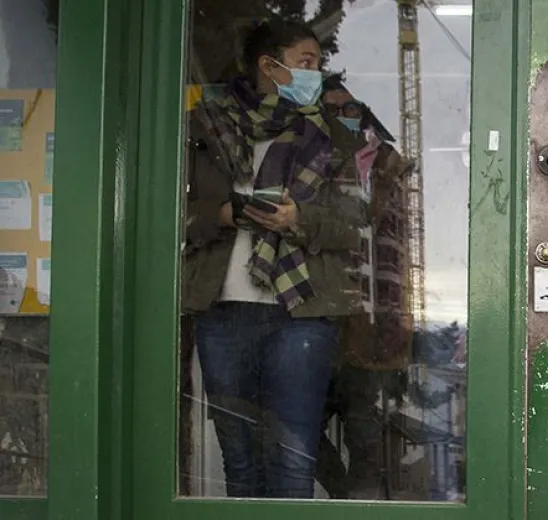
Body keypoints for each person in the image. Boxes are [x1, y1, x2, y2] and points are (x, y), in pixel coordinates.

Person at [181, 19, 368, 499]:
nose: (316, 72)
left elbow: (352, 226)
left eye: (318, 63)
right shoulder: (207, 126)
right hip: (223, 313)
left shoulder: (332, 138)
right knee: (238, 457)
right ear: (271, 66)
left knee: (293, 455)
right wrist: (224, 213)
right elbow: (170, 218)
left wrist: (297, 219)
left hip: (301, 315)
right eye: (306, 62)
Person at [314, 75, 415, 499]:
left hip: (371, 325)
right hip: (315, 316)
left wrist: (397, 325)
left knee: (365, 435)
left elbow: (395, 256)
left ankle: (358, 506)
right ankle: (343, 499)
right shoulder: (305, 156)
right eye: (333, 111)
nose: (344, 119)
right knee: (288, 425)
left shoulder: (387, 167)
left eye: (351, 110)